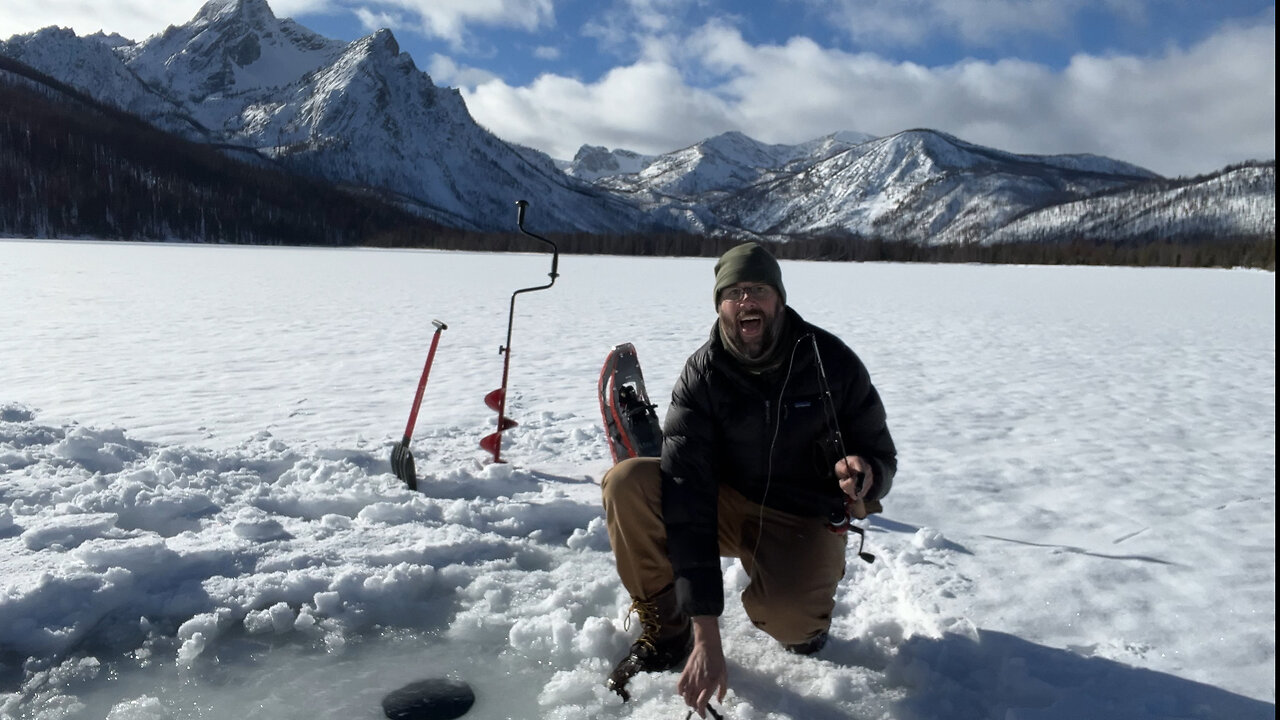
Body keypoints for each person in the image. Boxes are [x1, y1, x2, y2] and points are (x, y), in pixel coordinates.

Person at [600, 242, 897, 716]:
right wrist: (704, 632)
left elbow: (880, 451)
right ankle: (669, 628)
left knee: (794, 626)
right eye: (733, 292)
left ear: (778, 298)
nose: (746, 302)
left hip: (799, 515)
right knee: (629, 482)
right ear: (719, 305)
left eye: (757, 289)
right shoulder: (701, 375)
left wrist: (866, 473)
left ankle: (805, 607)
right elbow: (686, 494)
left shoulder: (831, 361)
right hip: (725, 504)